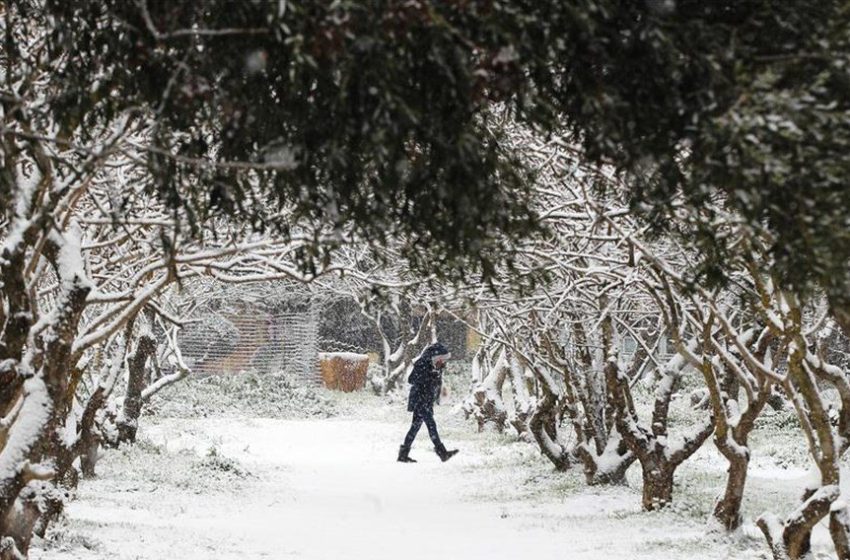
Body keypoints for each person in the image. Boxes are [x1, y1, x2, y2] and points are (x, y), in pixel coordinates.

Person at [397, 342, 459, 463]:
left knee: (415, 428)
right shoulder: (422, 364)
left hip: (426, 401)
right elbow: (412, 379)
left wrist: (440, 392)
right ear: (437, 358)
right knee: (431, 425)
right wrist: (429, 376)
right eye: (443, 360)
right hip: (420, 401)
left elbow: (435, 384)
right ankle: (442, 452)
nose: (444, 363)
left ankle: (403, 454)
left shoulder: (436, 367)